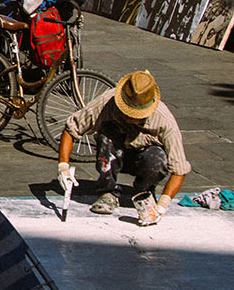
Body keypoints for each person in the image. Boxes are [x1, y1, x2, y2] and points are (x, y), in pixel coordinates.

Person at [57, 70, 189, 221]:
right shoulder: (108, 101)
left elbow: (179, 169)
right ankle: (108, 191)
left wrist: (162, 205)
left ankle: (144, 191)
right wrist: (63, 167)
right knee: (106, 136)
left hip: (143, 158)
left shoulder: (164, 120)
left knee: (157, 159)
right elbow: (71, 128)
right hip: (114, 153)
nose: (130, 118)